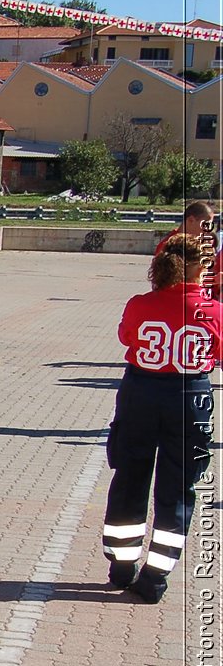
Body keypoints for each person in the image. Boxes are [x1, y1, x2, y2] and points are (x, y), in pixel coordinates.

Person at [101, 233, 220, 604]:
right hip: (189, 399)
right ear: (202, 269)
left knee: (129, 479)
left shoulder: (141, 303)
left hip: (141, 393)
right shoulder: (214, 311)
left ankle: (121, 566)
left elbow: (127, 337)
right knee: (178, 491)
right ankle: (155, 578)